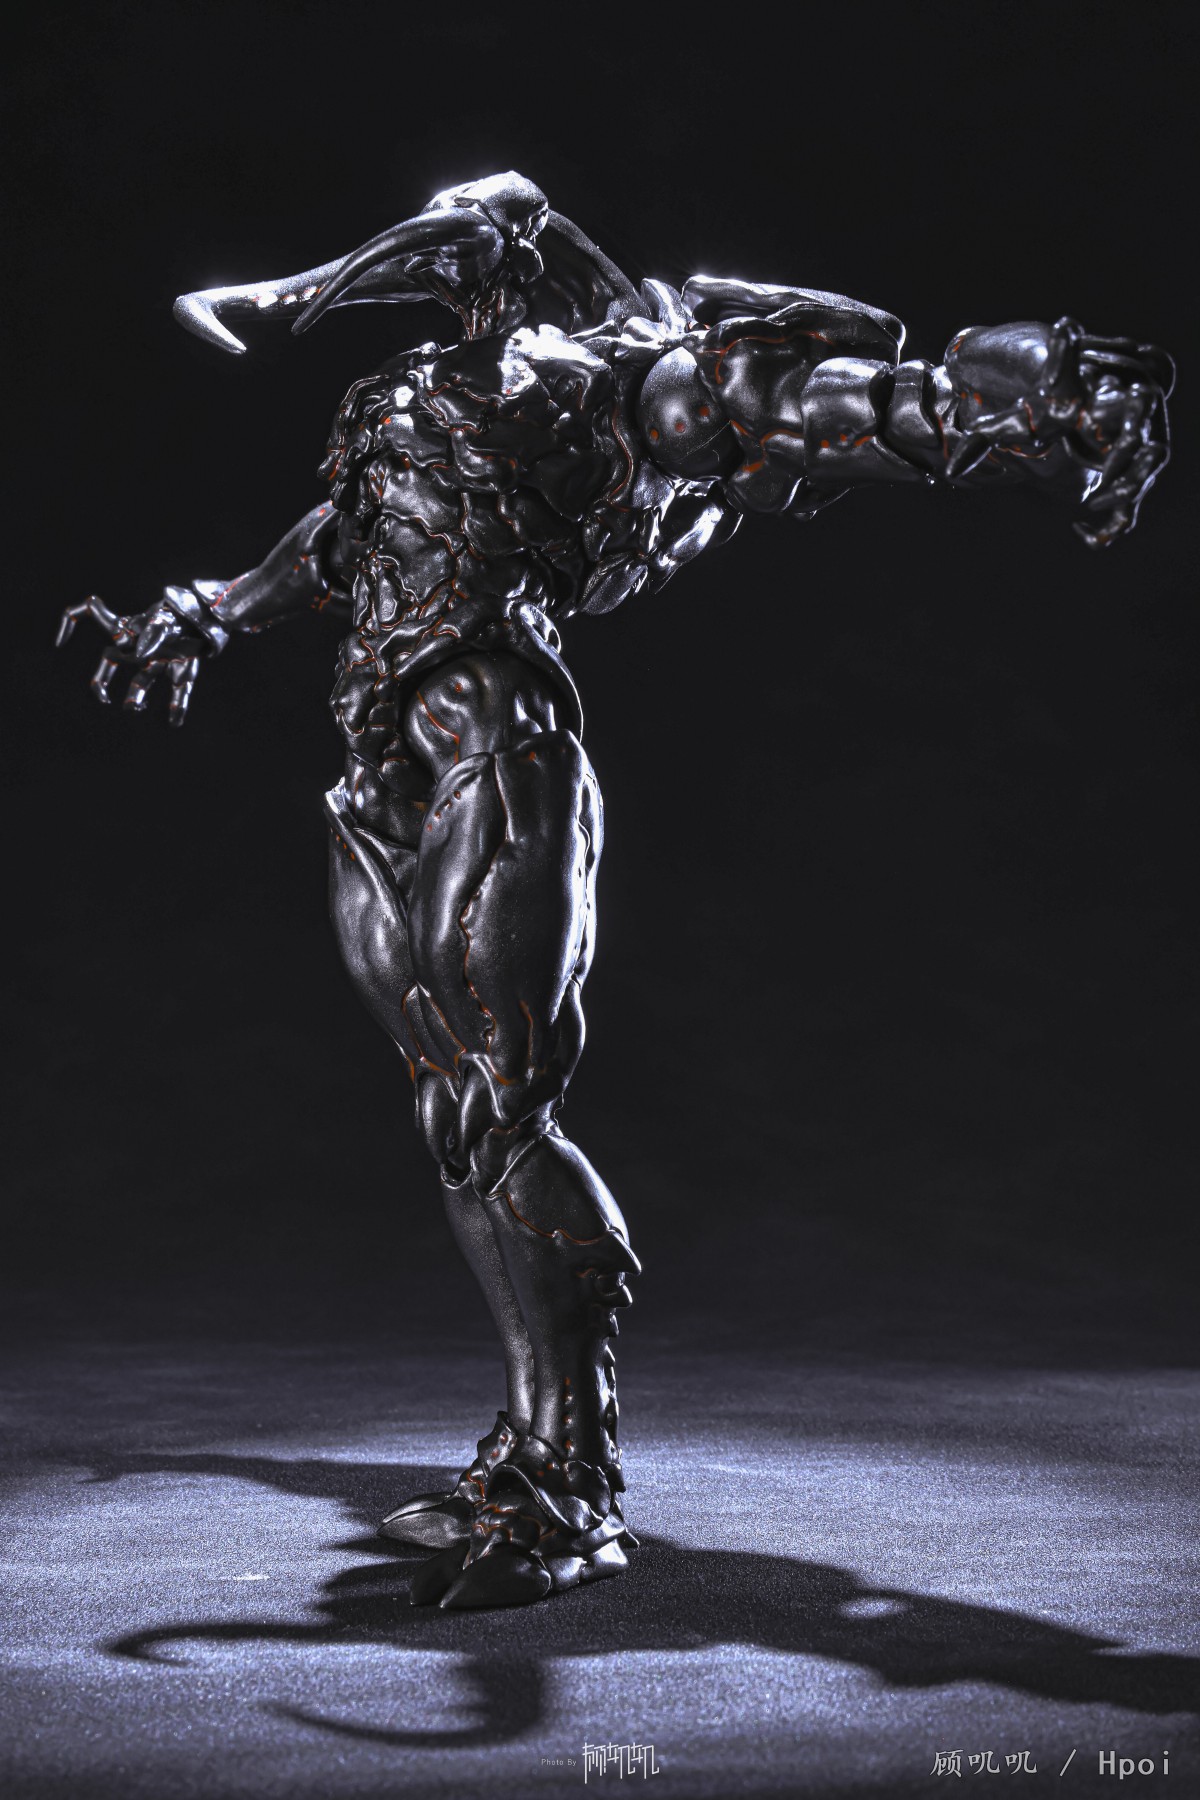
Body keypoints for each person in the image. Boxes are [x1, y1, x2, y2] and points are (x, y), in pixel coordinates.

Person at [59, 171, 1172, 1609]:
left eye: (492, 235)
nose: (460, 252)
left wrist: (1040, 402)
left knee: (500, 1099)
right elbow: (348, 545)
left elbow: (850, 409)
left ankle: (570, 1485)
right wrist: (206, 611)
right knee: (455, 1110)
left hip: (496, 751)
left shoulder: (633, 387)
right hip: (383, 767)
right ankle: (532, 1458)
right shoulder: (418, 400)